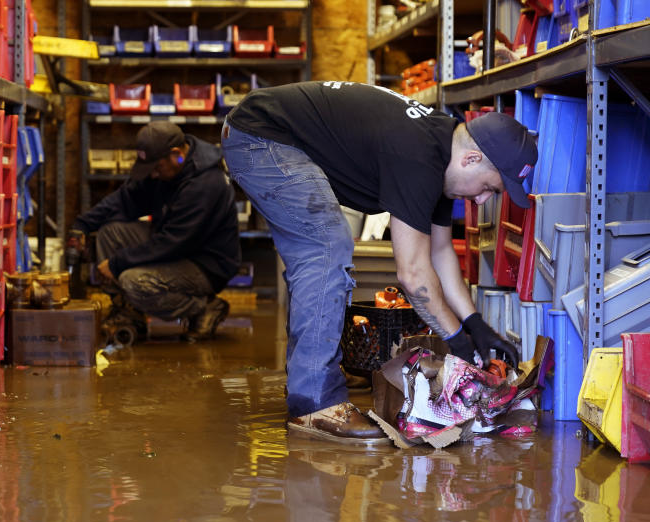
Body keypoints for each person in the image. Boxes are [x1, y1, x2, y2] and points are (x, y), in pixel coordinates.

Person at [221, 81, 536, 444]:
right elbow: (413, 276)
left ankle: (313, 376)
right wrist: (457, 343)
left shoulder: (439, 150)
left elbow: (439, 252)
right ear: (471, 159)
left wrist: (475, 324)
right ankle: (314, 402)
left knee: (324, 246)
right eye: (490, 188)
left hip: (267, 133)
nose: (482, 200)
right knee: (326, 245)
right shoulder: (418, 156)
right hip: (262, 136)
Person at [71, 121, 241, 343]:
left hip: (205, 263)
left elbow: (172, 243)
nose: (152, 175)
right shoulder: (164, 171)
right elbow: (126, 199)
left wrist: (117, 263)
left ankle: (203, 307)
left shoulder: (205, 184)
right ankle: (130, 313)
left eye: (156, 168)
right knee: (110, 234)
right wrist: (83, 225)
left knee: (135, 282)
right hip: (173, 242)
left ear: (176, 155)